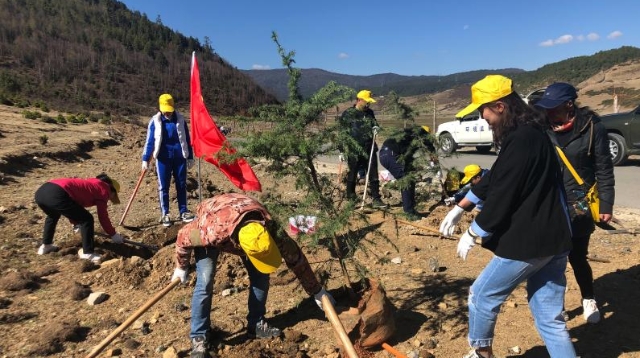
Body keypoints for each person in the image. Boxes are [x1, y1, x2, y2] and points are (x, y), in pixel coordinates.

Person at [452, 75, 576, 358]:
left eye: (482, 110)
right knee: (549, 319)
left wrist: (476, 231)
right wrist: (464, 203)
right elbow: (499, 174)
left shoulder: (521, 139)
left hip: (530, 241)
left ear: (499, 106)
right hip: (555, 238)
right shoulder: (531, 132)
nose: (481, 117)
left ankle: (480, 352)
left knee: (482, 295)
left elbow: (505, 191)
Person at [171, 193, 336, 358]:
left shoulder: (270, 230)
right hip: (213, 214)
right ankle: (199, 336)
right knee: (205, 281)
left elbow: (296, 259)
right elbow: (183, 237)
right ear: (239, 246)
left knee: (261, 275)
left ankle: (256, 324)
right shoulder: (211, 232)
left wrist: (317, 291)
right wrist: (181, 266)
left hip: (241, 212)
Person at [534, 82, 615, 324]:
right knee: (552, 257)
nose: (548, 112)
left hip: (579, 203)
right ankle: (556, 305)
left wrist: (606, 205)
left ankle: (588, 298)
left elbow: (604, 169)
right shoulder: (542, 128)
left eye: (553, 107)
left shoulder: (592, 128)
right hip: (550, 203)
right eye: (545, 107)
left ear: (569, 104)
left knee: (578, 256)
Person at [34, 173, 124, 263]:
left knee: (53, 215)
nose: (110, 199)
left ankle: (46, 245)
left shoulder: (91, 184)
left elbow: (74, 205)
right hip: (58, 193)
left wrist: (76, 224)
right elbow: (103, 216)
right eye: (114, 196)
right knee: (87, 219)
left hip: (42, 193)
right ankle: (88, 253)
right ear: (113, 191)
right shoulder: (104, 190)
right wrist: (113, 234)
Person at [142, 93, 195, 227]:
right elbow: (150, 142)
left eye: (169, 109)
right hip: (163, 158)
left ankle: (183, 211)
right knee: (163, 186)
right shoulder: (155, 121)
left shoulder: (181, 119)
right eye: (165, 109)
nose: (167, 112)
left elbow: (187, 139)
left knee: (181, 184)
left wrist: (190, 156)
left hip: (179, 158)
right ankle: (165, 214)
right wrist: (145, 159)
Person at [339, 89, 386, 208]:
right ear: (359, 100)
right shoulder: (348, 114)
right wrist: (341, 151)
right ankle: (351, 198)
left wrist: (376, 127)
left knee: (373, 174)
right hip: (354, 149)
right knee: (353, 174)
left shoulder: (369, 113)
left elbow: (374, 124)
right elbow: (342, 134)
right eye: (367, 102)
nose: (369, 104)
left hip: (369, 148)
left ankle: (376, 199)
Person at [378, 125, 436, 220]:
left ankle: (411, 209)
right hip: (389, 154)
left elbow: (408, 157)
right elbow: (422, 133)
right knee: (406, 180)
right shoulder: (417, 131)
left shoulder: (409, 142)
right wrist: (432, 152)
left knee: (410, 179)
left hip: (390, 154)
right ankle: (409, 212)